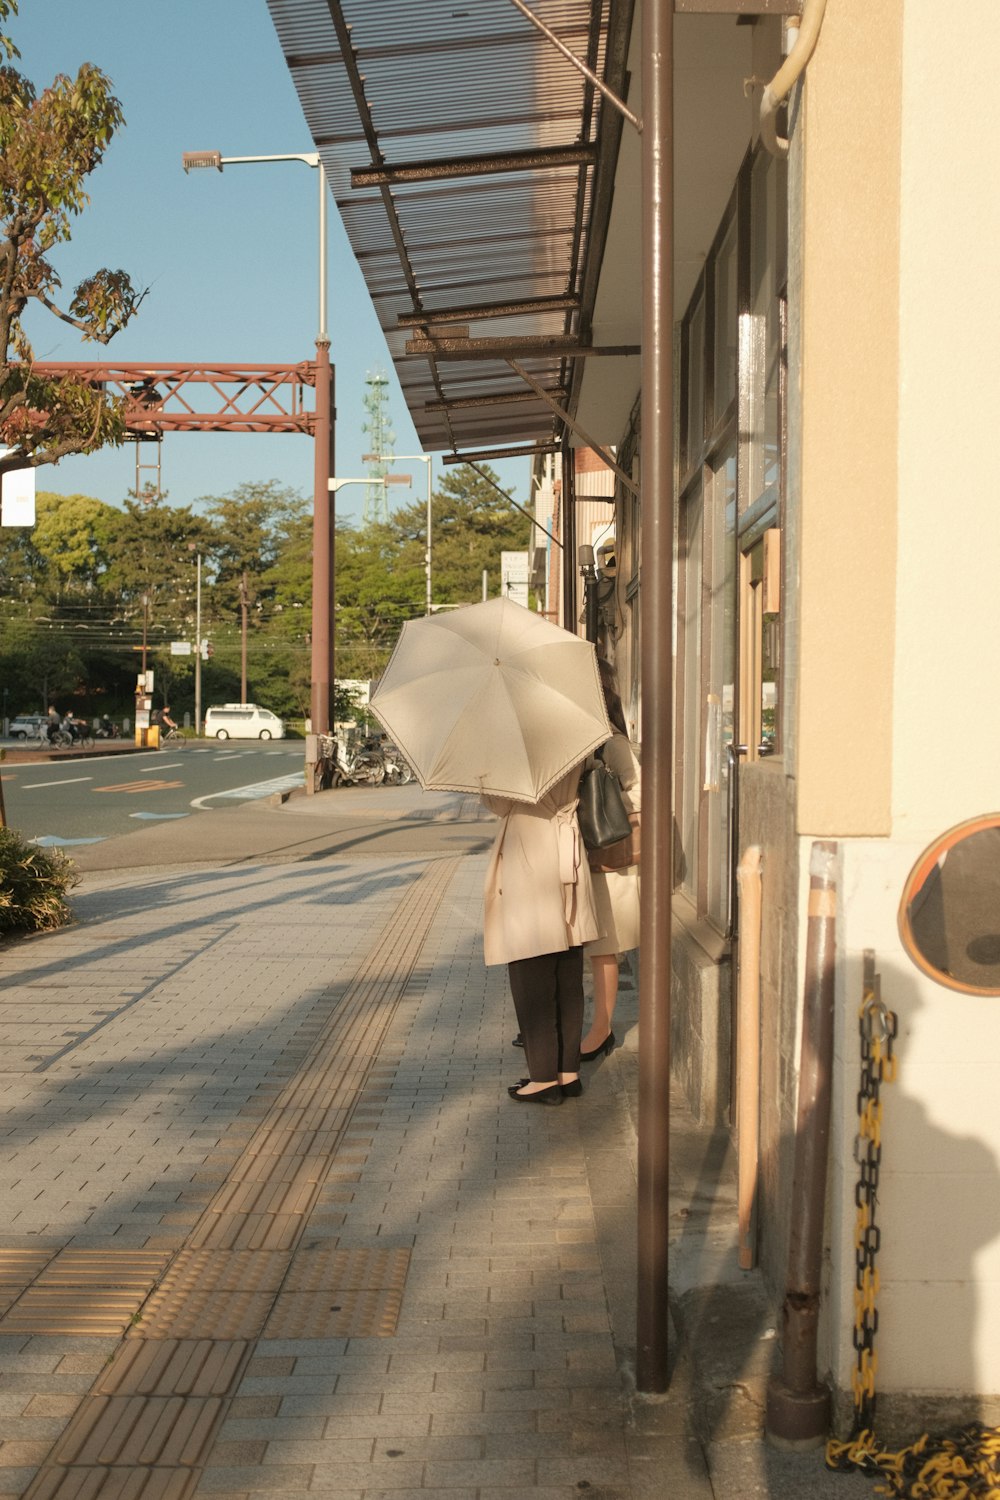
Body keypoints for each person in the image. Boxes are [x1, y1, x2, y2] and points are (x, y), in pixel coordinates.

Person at [483, 763, 601, 1105]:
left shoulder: (514, 750)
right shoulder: (571, 739)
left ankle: (544, 1078)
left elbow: (500, 805)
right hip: (567, 855)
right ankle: (568, 1073)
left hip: (530, 856)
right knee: (567, 971)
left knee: (530, 972)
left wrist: (484, 777)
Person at [579, 659, 641, 1061]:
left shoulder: (613, 743)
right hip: (597, 855)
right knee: (598, 946)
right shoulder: (592, 740)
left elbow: (641, 792)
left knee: (606, 947)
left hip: (614, 857)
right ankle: (596, 1025)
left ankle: (602, 1029)